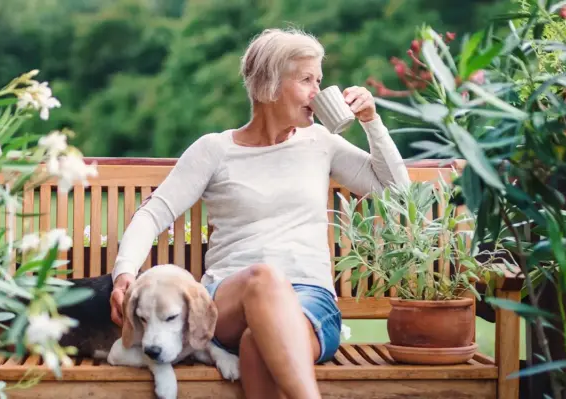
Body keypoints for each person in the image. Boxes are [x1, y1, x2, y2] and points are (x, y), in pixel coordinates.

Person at [108, 27, 411, 399]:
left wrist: (371, 121)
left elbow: (397, 192)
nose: (318, 92)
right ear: (269, 84)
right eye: (306, 80)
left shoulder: (322, 143)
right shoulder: (215, 150)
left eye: (320, 80)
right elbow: (153, 214)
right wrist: (124, 275)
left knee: (256, 344)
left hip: (310, 301)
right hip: (229, 301)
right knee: (265, 279)